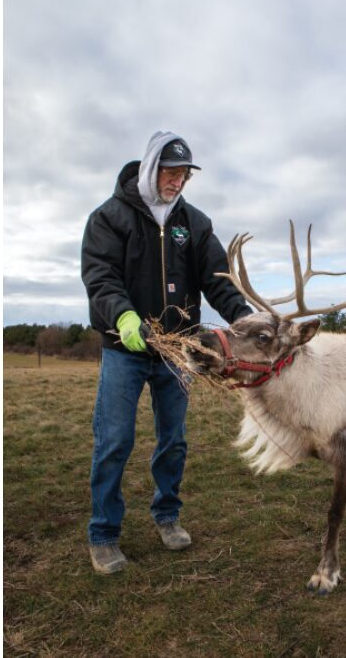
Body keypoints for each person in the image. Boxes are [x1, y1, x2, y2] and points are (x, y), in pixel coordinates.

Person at [80, 131, 253, 574]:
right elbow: (100, 276)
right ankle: (103, 535)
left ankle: (167, 515)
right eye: (171, 173)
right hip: (126, 348)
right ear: (151, 167)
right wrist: (121, 315)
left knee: (173, 440)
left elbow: (218, 279)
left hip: (179, 353)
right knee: (115, 440)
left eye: (184, 176)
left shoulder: (194, 223)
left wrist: (245, 320)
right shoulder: (109, 218)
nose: (178, 182)